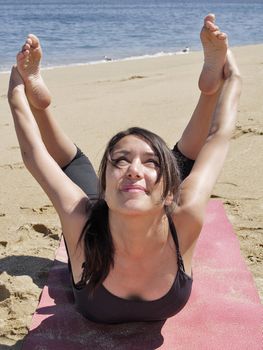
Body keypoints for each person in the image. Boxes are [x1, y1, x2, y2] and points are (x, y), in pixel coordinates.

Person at [8, 14, 241, 324]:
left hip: (160, 197)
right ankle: (42, 106)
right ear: (103, 186)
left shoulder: (183, 216)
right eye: (120, 160)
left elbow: (217, 136)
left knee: (182, 158)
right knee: (72, 165)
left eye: (148, 162)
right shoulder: (82, 221)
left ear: (172, 194)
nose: (133, 169)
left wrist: (232, 77)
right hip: (107, 211)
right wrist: (19, 90)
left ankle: (208, 88)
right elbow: (34, 154)